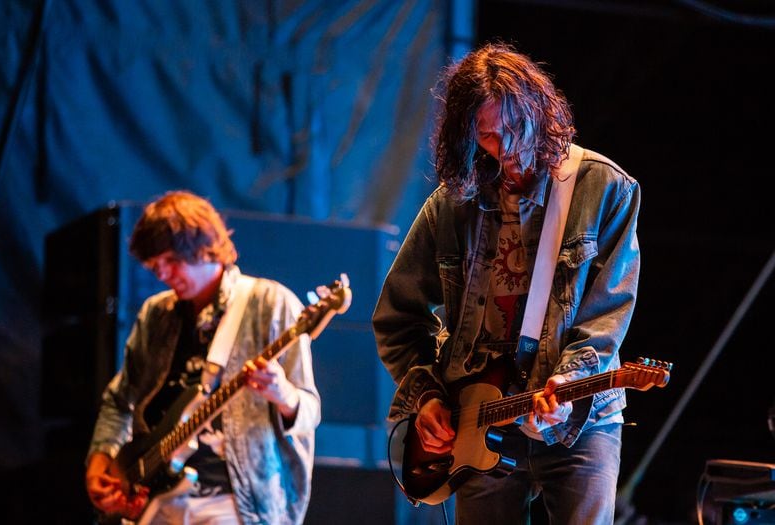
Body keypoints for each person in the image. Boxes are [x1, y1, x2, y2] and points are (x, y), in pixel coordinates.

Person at [373, 42, 640, 524]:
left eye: (519, 129)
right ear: (468, 138)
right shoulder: (450, 206)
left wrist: (571, 380)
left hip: (579, 422)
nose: (510, 148)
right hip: (477, 421)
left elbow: (608, 313)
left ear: (540, 111)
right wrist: (428, 396)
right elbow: (397, 317)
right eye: (491, 137)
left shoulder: (604, 188)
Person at [85, 190, 321, 524]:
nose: (162, 274)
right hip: (156, 501)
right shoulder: (156, 313)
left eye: (172, 262)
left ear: (205, 248)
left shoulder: (271, 303)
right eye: (155, 266)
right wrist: (100, 457)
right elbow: (119, 400)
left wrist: (281, 392)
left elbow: (310, 410)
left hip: (235, 504)